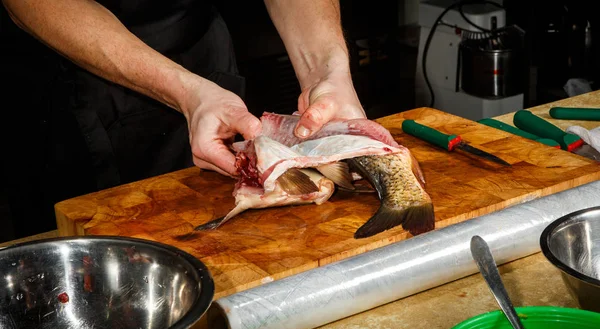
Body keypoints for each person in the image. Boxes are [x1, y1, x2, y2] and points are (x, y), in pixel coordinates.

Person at [0, 0, 366, 238]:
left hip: (198, 50)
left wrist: (327, 69)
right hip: (69, 69)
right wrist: (188, 94)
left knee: (213, 240)